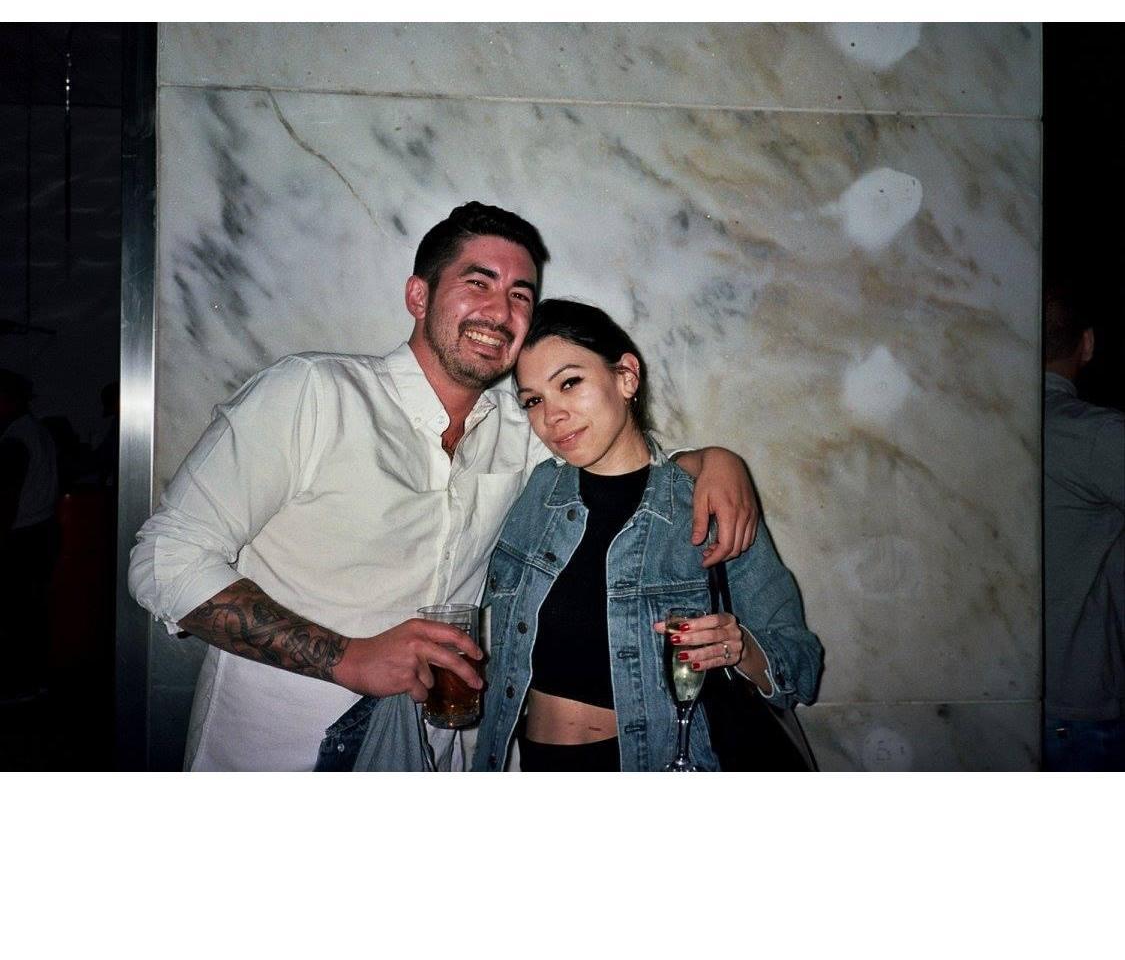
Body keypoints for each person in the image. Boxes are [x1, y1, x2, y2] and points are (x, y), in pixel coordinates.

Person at [128, 203, 761, 771]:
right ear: (419, 295)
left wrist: (711, 460)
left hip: (442, 751)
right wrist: (347, 657)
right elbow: (164, 560)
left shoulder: (522, 425)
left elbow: (612, 450)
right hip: (281, 749)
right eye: (477, 283)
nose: (500, 312)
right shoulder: (313, 395)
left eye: (520, 295)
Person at [470, 299, 822, 772]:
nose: (552, 415)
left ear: (626, 377)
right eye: (533, 400)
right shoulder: (533, 495)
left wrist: (738, 646)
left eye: (570, 383)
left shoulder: (703, 505)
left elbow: (801, 664)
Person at [1042, 284, 1125, 771]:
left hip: (990, 697)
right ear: (1087, 343)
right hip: (1078, 711)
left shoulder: (976, 430)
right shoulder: (1097, 434)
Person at [1, 369, 60, 698]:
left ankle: (20, 684)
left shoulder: (15, 440)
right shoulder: (37, 431)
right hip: (42, 531)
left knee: (18, 613)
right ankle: (36, 681)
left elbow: (7, 496)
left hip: (23, 536)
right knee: (34, 611)